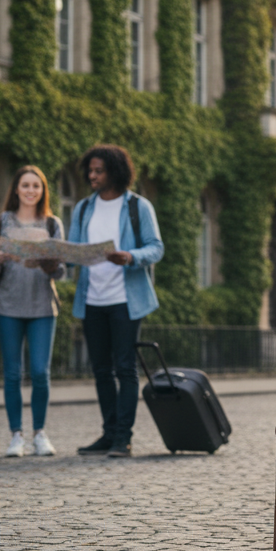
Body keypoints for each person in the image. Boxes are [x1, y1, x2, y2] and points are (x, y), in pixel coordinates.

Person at [68, 145, 163, 459]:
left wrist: (130, 256)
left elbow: (156, 247)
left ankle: (123, 437)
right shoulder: (83, 208)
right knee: (100, 370)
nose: (92, 176)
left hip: (125, 300)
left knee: (125, 368)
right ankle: (108, 433)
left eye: (99, 171)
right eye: (90, 171)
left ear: (115, 172)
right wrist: (55, 259)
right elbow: (73, 251)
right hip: (91, 299)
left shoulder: (138, 206)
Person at [0, 165, 66, 458]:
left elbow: (61, 271)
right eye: (26, 185)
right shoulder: (0, 222)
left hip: (42, 306)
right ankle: (16, 435)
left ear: (43, 191)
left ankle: (40, 433)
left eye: (36, 186)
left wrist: (49, 264)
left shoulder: (52, 224)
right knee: (12, 373)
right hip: (7, 306)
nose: (31, 190)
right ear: (16, 189)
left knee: (41, 372)